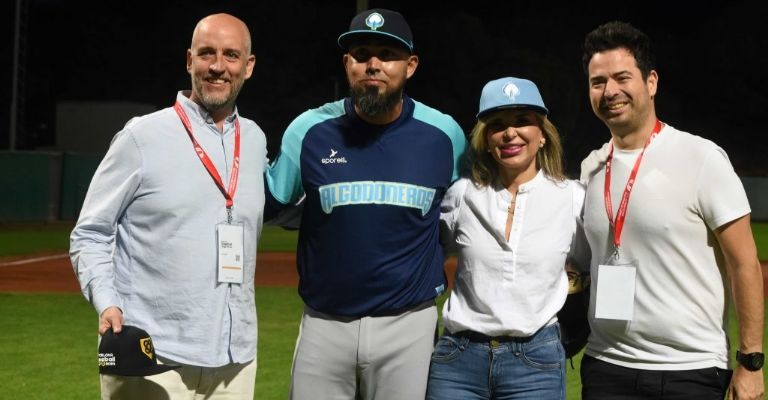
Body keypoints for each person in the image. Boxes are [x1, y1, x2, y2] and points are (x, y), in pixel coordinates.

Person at [264, 8, 468, 399]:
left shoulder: (444, 135)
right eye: (361, 54)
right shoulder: (308, 131)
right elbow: (269, 203)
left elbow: (465, 215)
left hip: (409, 324)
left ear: (410, 66)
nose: (373, 64)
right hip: (325, 323)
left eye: (387, 54)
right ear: (347, 64)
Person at [70, 13, 267, 399]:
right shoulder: (143, 136)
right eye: (207, 53)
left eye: (231, 55)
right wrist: (106, 301)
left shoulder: (256, 140)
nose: (217, 66)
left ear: (249, 65)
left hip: (235, 358)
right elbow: (90, 232)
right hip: (152, 354)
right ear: (189, 60)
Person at [579, 21, 764, 400]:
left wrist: (750, 362)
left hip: (689, 370)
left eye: (621, 77)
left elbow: (745, 263)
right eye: (598, 82)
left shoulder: (701, 158)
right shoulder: (591, 168)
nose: (609, 91)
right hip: (606, 366)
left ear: (651, 82)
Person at [425, 77, 589, 400]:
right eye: (497, 124)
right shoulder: (463, 194)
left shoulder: (571, 197)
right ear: (486, 139)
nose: (510, 132)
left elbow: (586, 267)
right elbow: (425, 257)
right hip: (458, 358)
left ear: (542, 135)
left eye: (522, 121)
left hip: (535, 361)